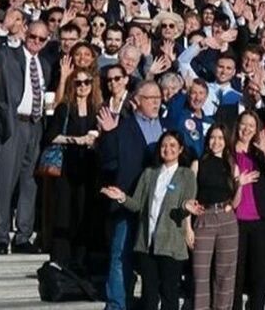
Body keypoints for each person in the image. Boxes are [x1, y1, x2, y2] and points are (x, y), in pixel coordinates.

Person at [102, 131, 197, 310]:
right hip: (147, 243)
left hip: (171, 245)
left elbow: (186, 205)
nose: (167, 149)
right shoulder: (149, 174)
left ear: (180, 149)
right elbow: (137, 204)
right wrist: (122, 197)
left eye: (172, 146)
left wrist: (186, 208)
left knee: (169, 294)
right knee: (149, 295)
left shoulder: (186, 175)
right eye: (164, 145)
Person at [0, 19, 54, 253]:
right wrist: (3, 31)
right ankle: (1, 236)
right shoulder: (9, 55)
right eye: (33, 36)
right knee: (5, 182)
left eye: (41, 39)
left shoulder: (44, 64)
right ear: (26, 34)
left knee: (29, 182)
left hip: (35, 125)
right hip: (12, 124)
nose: (36, 42)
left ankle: (23, 235)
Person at [98, 80, 165, 310]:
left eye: (158, 98)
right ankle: (117, 304)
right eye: (150, 98)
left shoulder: (165, 128)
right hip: (126, 202)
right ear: (136, 101)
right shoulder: (123, 129)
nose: (156, 102)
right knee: (121, 255)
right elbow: (107, 163)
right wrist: (107, 135)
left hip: (156, 206)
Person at [43, 66, 101, 270]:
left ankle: (80, 259)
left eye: (86, 82)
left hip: (89, 166)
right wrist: (76, 140)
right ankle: (60, 257)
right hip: (68, 165)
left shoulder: (97, 108)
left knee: (84, 211)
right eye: (78, 82)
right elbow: (51, 136)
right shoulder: (64, 108)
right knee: (64, 210)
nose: (82, 86)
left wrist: (95, 139)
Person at [189, 124, 243, 310]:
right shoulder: (198, 164)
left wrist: (240, 185)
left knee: (225, 274)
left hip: (227, 221)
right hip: (204, 218)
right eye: (213, 137)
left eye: (220, 138)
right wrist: (188, 227)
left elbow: (235, 203)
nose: (216, 142)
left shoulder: (232, 164)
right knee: (200, 272)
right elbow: (190, 197)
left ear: (226, 141)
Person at [233, 111, 265, 310]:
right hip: (235, 220)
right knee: (236, 272)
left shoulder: (260, 153)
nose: (247, 129)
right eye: (244, 124)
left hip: (260, 220)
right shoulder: (228, 152)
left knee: (259, 274)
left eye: (251, 126)